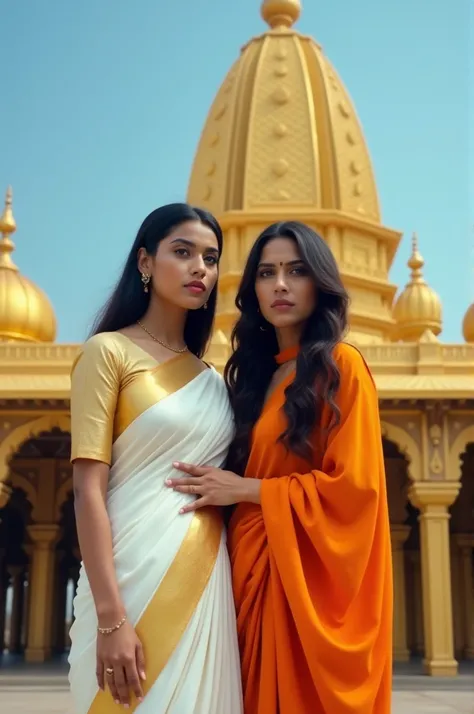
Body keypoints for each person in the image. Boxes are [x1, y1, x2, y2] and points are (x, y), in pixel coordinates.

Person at [167, 221, 393, 714]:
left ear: (320, 283)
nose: (281, 285)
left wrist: (249, 490)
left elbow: (355, 491)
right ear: (252, 291)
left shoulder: (340, 366)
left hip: (300, 582)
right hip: (244, 574)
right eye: (266, 273)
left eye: (296, 271)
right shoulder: (256, 377)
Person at [68, 203, 243, 714]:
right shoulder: (109, 353)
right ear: (145, 262)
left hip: (205, 580)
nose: (200, 269)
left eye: (210, 259)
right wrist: (111, 618)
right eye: (183, 252)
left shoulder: (215, 382)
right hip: (126, 580)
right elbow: (86, 491)